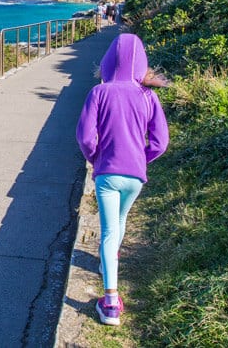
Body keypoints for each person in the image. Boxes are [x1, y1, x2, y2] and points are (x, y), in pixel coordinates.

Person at [75, 33, 169, 326]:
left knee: (107, 231)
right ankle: (108, 263)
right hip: (135, 177)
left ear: (108, 60)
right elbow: (160, 142)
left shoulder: (99, 93)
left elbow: (85, 137)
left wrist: (95, 158)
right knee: (120, 221)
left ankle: (111, 302)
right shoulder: (148, 95)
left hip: (107, 172)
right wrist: (142, 158)